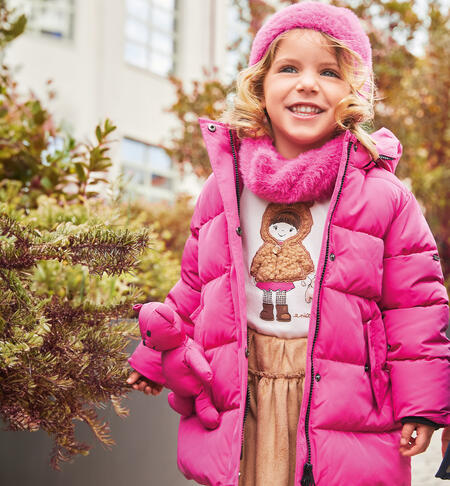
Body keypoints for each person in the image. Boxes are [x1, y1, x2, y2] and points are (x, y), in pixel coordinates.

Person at [126, 2, 450, 485]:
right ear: (260, 86)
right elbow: (196, 285)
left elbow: (416, 309)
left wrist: (422, 405)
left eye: (329, 72)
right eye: (289, 68)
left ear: (354, 93)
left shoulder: (383, 196)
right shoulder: (225, 189)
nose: (307, 83)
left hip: (342, 395)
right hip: (243, 385)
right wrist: (155, 357)